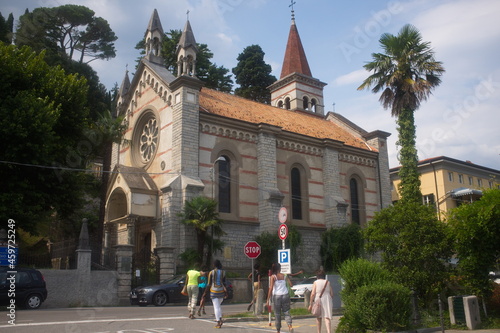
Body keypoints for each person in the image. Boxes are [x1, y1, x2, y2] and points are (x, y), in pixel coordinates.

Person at [266, 263, 294, 333]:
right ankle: (290, 326)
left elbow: (271, 288)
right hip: (285, 295)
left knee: (277, 313)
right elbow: (291, 285)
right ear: (279, 268)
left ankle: (278, 330)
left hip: (277, 296)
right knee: (286, 312)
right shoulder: (284, 276)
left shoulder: (273, 277)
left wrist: (267, 299)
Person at [203, 259, 227, 328]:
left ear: (214, 265)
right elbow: (224, 283)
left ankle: (218, 322)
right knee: (218, 306)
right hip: (221, 291)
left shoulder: (211, 272)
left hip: (214, 291)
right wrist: (226, 291)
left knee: (216, 307)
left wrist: (205, 293)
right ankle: (220, 319)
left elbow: (208, 284)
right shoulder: (223, 272)